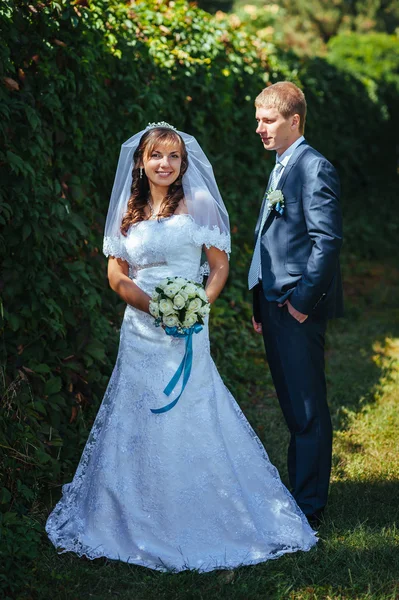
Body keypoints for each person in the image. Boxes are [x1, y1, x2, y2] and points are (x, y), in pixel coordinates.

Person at [46, 122, 317, 572]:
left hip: (187, 329)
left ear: (183, 163)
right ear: (141, 161)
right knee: (135, 410)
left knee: (192, 411)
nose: (165, 164)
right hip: (139, 328)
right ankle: (128, 513)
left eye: (173, 157)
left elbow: (219, 267)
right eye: (157, 156)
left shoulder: (200, 204)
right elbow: (117, 275)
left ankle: (203, 513)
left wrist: (194, 309)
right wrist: (154, 308)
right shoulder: (127, 210)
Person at [248, 82, 344, 528]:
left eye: (268, 121)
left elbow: (326, 243)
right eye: (258, 120)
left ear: (295, 121)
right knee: (291, 405)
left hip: (296, 305)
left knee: (307, 408)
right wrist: (259, 303)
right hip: (273, 303)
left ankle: (309, 507)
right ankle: (300, 491)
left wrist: (302, 303)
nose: (259, 129)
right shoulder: (281, 165)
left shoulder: (313, 167)